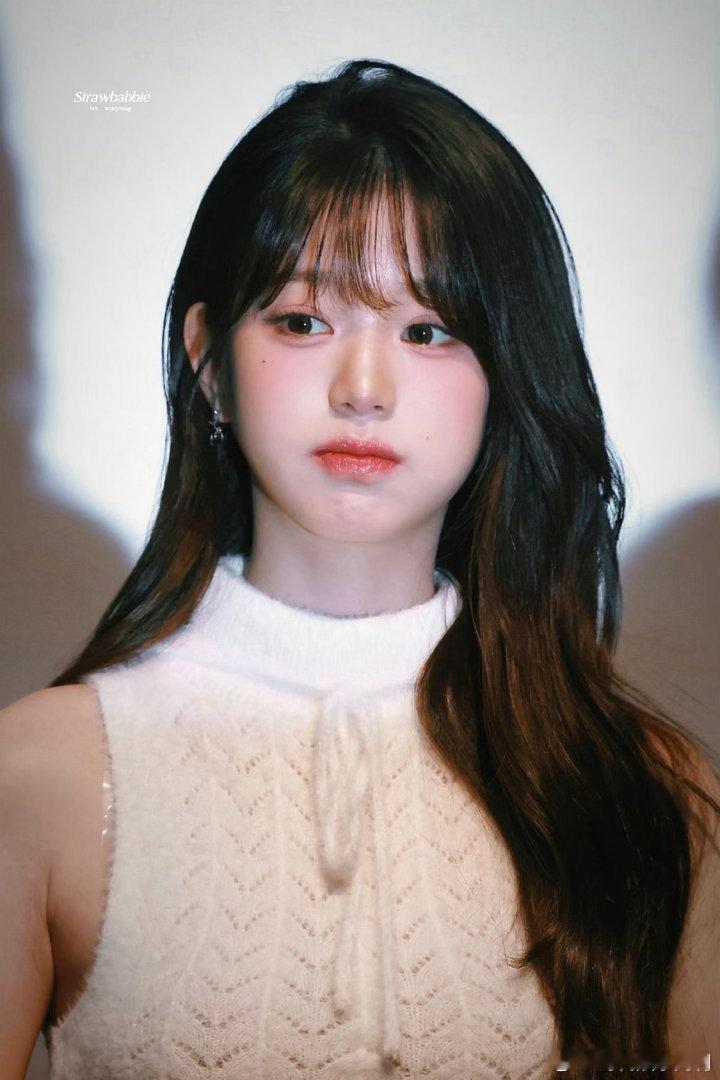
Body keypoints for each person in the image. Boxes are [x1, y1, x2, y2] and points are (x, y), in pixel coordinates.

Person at [1, 57, 718, 1080]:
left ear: (508, 377)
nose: (365, 387)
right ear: (209, 361)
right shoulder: (41, 775)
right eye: (304, 321)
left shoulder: (647, 795)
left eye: (429, 330)